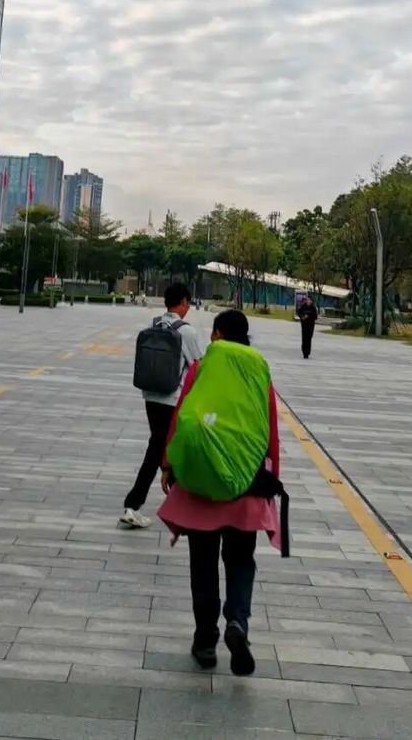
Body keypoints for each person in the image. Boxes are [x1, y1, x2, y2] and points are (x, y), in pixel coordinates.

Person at [159, 310, 282, 677]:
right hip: (247, 484)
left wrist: (168, 464)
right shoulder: (259, 371)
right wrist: (271, 478)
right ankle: (237, 622)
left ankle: (205, 640)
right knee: (241, 559)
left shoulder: (201, 368)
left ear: (216, 334)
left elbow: (183, 416)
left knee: (203, 562)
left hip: (202, 486)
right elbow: (270, 428)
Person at [119, 283, 204, 529]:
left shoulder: (153, 325)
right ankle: (135, 505)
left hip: (150, 395)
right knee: (161, 448)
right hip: (172, 399)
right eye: (188, 303)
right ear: (184, 302)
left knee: (160, 446)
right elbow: (198, 366)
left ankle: (160, 502)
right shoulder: (187, 332)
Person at [296, 292, 319, 359]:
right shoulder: (303, 306)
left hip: (310, 326)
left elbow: (315, 317)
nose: (308, 301)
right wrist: (302, 317)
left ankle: (308, 352)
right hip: (304, 325)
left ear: (311, 301)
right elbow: (299, 313)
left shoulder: (313, 308)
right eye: (307, 300)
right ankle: (304, 352)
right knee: (304, 339)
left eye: (309, 300)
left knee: (309, 339)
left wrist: (309, 316)